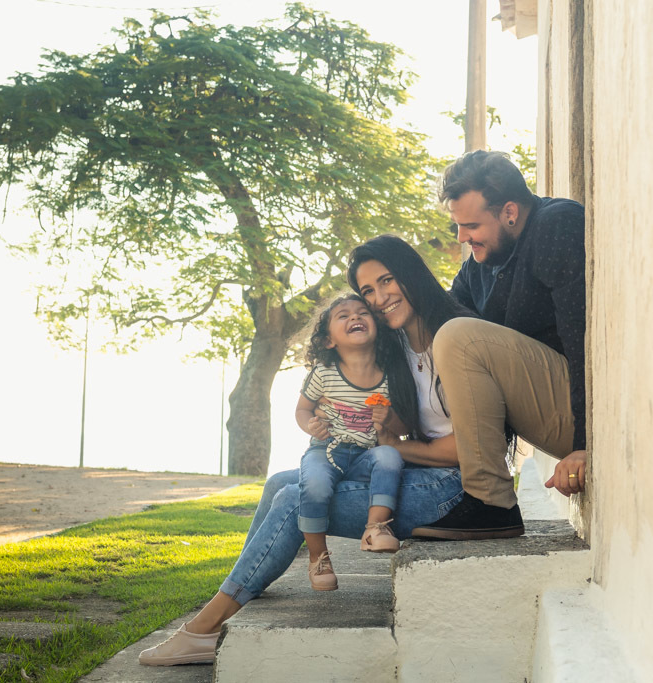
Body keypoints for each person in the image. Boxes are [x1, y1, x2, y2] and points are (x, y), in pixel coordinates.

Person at [138, 235, 473, 667]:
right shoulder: (400, 345)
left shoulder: (453, 339)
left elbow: (470, 448)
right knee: (280, 480)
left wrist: (397, 445)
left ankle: (205, 628)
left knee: (293, 497)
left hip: (447, 491)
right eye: (368, 291)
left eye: (387, 281)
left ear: (410, 275)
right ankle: (241, 587)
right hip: (414, 472)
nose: (378, 298)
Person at [411, 150, 586, 541]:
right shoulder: (480, 263)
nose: (462, 237)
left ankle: (491, 504)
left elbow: (583, 338)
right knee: (448, 333)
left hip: (588, 413)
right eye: (458, 225)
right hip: (552, 409)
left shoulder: (557, 225)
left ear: (509, 211)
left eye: (471, 225)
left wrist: (585, 444)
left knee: (459, 336)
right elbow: (439, 316)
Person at [295, 294, 409, 593]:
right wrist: (312, 425)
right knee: (315, 485)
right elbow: (303, 409)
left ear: (377, 328)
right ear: (329, 340)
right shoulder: (324, 374)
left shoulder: (391, 377)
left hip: (365, 456)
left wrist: (388, 418)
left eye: (362, 313)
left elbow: (402, 428)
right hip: (326, 451)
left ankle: (375, 528)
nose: (355, 318)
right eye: (343, 316)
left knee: (389, 456)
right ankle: (319, 557)